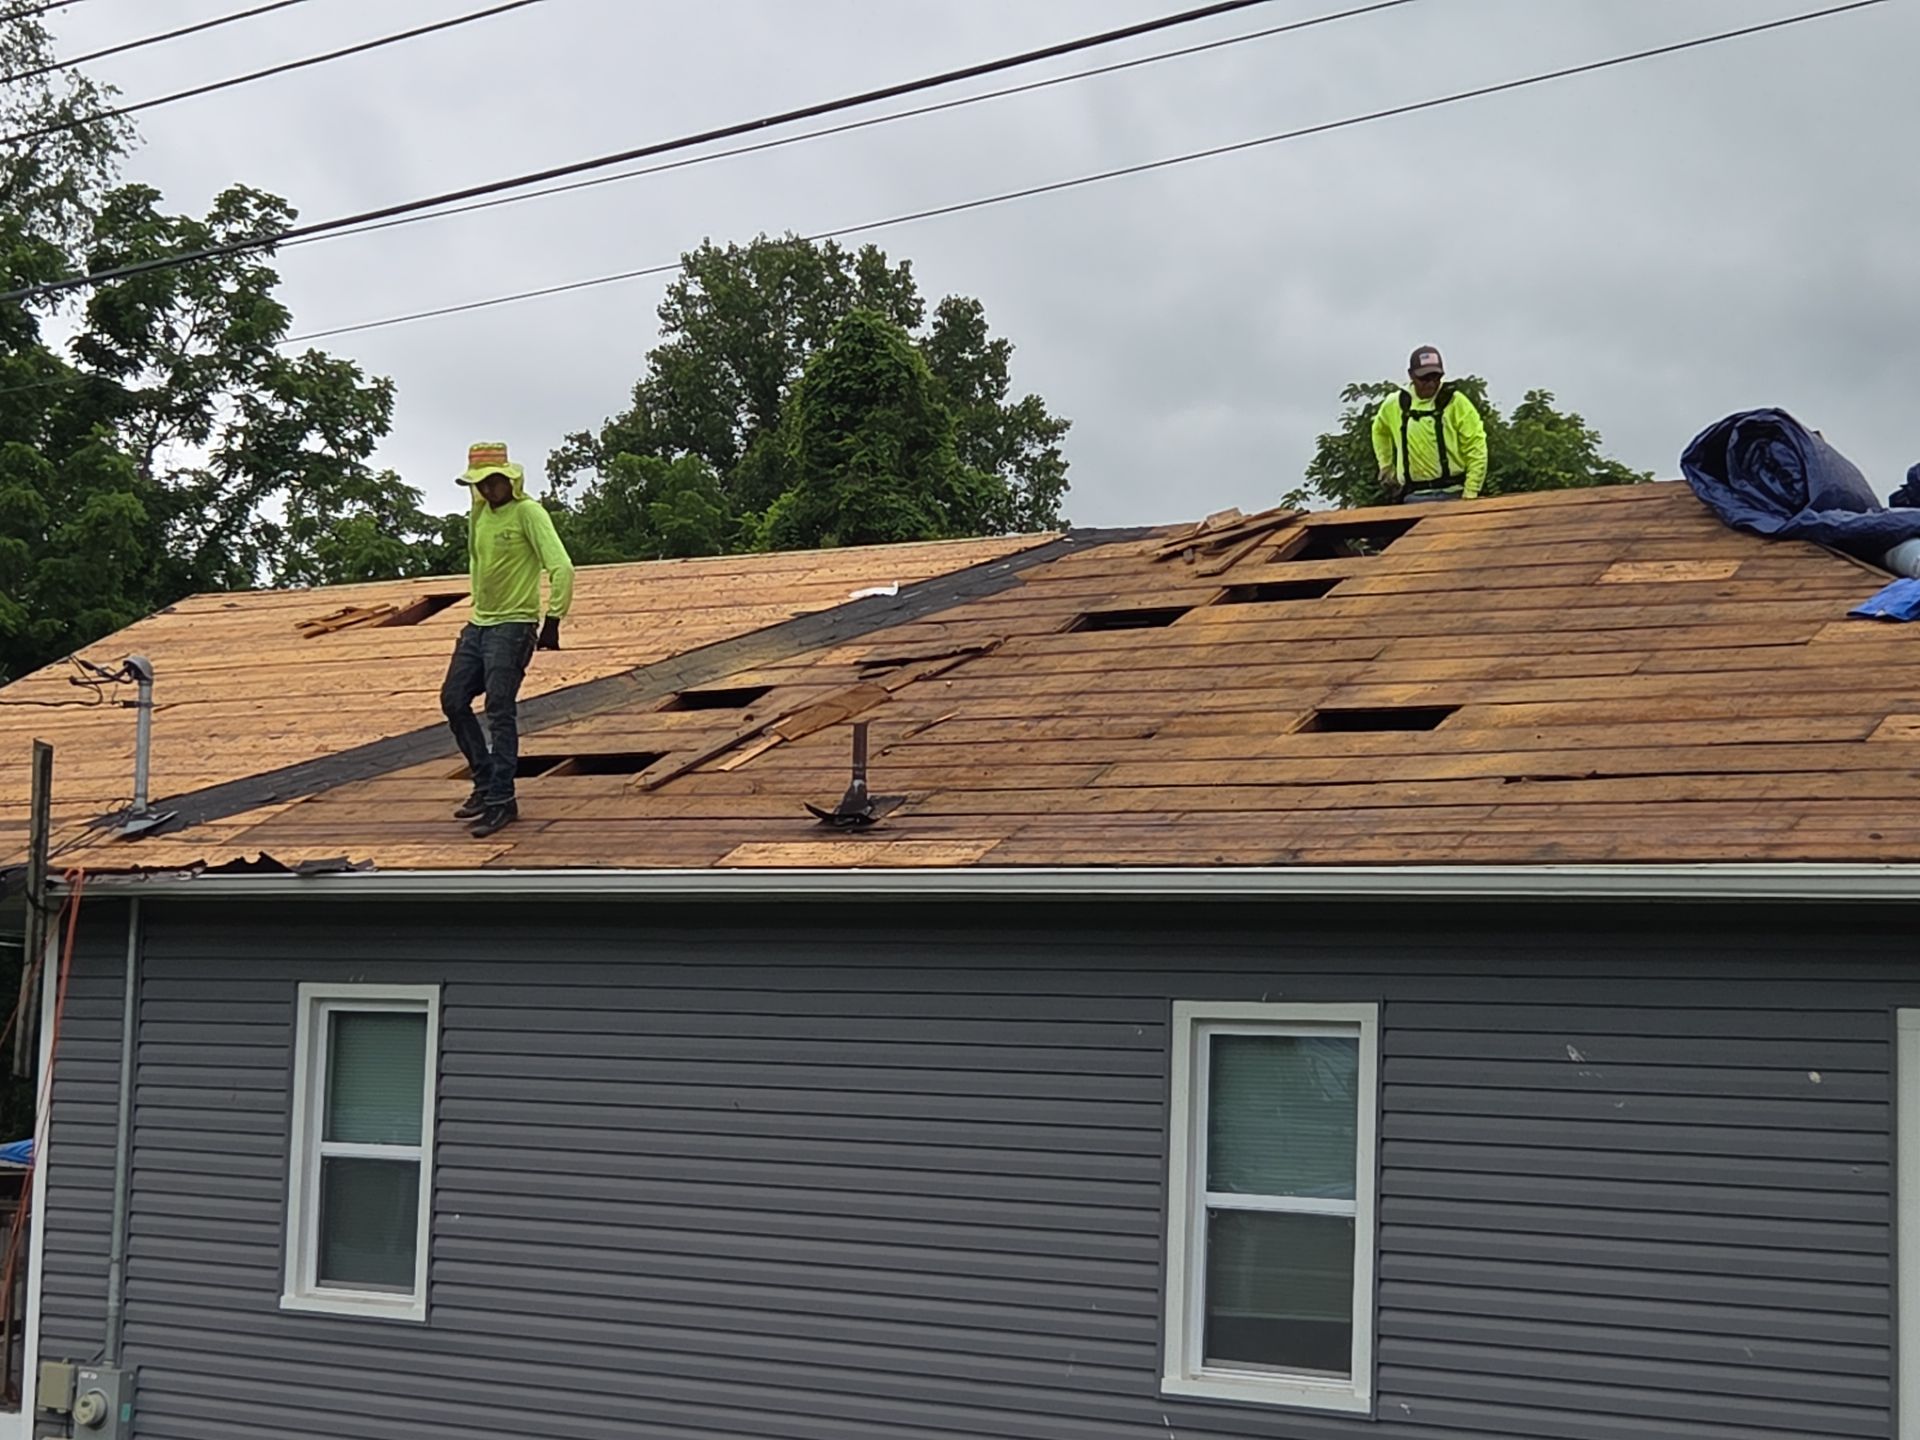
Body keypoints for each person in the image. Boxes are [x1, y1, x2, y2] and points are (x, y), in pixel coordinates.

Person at [440, 441, 575, 838]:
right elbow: (477, 563)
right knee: (453, 700)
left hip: (514, 625)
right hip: (479, 623)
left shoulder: (528, 512)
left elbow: (562, 566)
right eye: (480, 484)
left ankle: (502, 800)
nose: (488, 489)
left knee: (499, 707)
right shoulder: (480, 514)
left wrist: (552, 621)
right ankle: (484, 782)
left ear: (510, 479)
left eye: (494, 481)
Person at [1371, 345, 1488, 503]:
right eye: (1425, 378)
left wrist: (1470, 493)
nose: (1431, 383)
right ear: (1411, 375)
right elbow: (1379, 430)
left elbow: (1476, 447)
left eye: (1436, 377)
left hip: (1454, 493)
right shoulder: (1395, 404)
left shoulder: (1456, 402)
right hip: (1413, 496)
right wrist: (1386, 466)